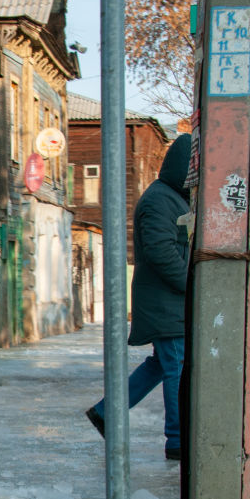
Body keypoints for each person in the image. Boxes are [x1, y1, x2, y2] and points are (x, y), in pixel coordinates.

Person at [85, 133, 192, 461]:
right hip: (165, 301)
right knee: (177, 366)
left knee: (162, 364)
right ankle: (177, 440)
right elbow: (160, 251)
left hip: (166, 300)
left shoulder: (172, 197)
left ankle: (107, 412)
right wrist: (192, 284)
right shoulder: (161, 200)